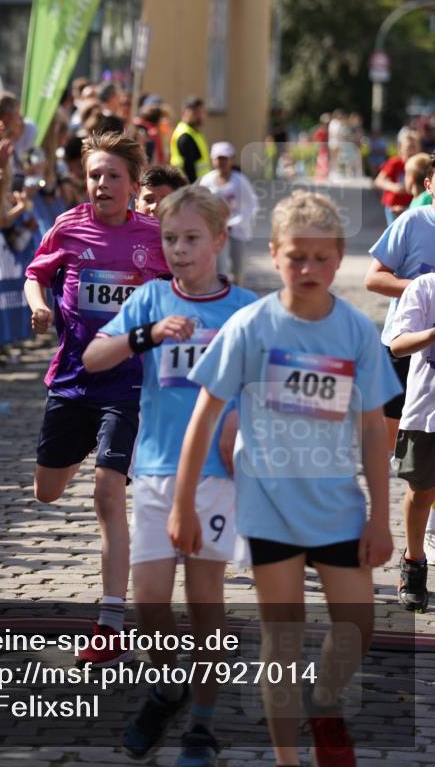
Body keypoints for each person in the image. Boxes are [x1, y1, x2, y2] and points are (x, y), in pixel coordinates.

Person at [169, 191, 401, 767]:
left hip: (337, 506)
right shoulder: (251, 326)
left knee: (358, 624)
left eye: (322, 259)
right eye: (297, 257)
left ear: (339, 257)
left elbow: (373, 431)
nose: (309, 269)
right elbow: (204, 417)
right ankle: (287, 760)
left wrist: (380, 516)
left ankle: (324, 701)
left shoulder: (355, 332)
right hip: (268, 505)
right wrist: (183, 504)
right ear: (275, 254)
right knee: (282, 642)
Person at [83, 186, 256, 766]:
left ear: (219, 239)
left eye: (190, 239)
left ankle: (201, 724)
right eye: (169, 239)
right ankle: (168, 687)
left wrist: (242, 423)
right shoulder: (152, 298)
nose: (178, 250)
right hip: (156, 469)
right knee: (149, 601)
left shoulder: (246, 309)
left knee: (205, 600)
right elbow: (94, 358)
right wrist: (148, 335)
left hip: (216, 475)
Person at [24, 132, 169, 666]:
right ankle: (91, 444)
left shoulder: (154, 237)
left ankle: (110, 623)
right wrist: (39, 306)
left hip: (127, 388)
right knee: (47, 493)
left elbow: (187, 289)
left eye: (113, 176)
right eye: (94, 175)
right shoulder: (68, 226)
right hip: (73, 381)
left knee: (108, 493)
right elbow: (35, 275)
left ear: (133, 185)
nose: (102, 184)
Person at [364, 202, 435, 452]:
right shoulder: (412, 222)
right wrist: (423, 290)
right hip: (405, 341)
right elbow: (373, 278)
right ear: (429, 186)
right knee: (396, 436)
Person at [389, 272, 435, 613]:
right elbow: (398, 344)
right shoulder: (425, 287)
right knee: (422, 491)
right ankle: (414, 563)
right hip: (428, 412)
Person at [199, 142, 258, 286]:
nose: (221, 162)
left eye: (225, 158)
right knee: (219, 267)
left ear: (231, 159)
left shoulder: (240, 181)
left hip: (238, 230)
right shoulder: (207, 181)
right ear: (212, 160)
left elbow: (251, 205)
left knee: (238, 267)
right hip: (216, 230)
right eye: (218, 158)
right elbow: (200, 205)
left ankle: (238, 290)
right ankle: (222, 292)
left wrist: (234, 223)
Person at [374, 129, 421, 225]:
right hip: (394, 205)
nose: (411, 151)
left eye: (414, 147)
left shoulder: (420, 164)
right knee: (396, 229)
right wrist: (394, 187)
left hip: (412, 204)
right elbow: (378, 181)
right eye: (408, 147)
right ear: (401, 149)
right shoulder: (395, 163)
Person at [170, 97, 210, 183]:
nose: (200, 116)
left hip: (199, 183)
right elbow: (189, 166)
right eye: (196, 112)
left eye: (201, 112)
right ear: (185, 112)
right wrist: (193, 187)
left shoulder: (194, 133)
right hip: (191, 185)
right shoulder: (185, 135)